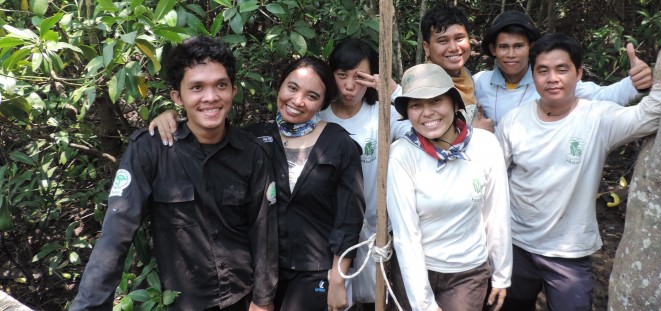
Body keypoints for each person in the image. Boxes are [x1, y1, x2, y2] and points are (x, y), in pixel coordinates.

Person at [493, 32, 661, 310]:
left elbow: (651, 114)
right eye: (542, 71)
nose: (552, 78)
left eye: (562, 69)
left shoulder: (598, 118)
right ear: (533, 76)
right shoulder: (514, 121)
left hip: (568, 252)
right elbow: (493, 175)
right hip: (516, 245)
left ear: (578, 73)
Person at [70, 36, 278, 311]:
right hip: (182, 301)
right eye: (196, 87)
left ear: (233, 90)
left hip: (241, 297)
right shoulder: (150, 150)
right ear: (177, 97)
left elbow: (263, 233)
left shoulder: (252, 153)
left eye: (221, 85)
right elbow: (116, 233)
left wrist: (263, 301)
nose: (211, 97)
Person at [149, 56, 366, 311]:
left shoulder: (339, 144)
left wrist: (338, 280)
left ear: (322, 103)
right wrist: (170, 116)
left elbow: (349, 218)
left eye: (311, 95)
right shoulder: (251, 138)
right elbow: (204, 136)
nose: (297, 101)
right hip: (255, 273)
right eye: (292, 88)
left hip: (313, 271)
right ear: (280, 86)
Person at [387, 63, 512, 311]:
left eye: (436, 101)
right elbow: (405, 234)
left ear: (455, 104)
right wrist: (425, 305)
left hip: (468, 271)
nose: (427, 112)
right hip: (415, 269)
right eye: (416, 105)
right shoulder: (402, 154)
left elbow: (496, 213)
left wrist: (502, 272)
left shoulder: (485, 145)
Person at [475, 10, 661, 127]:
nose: (510, 54)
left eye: (518, 45)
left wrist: (635, 83)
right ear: (493, 50)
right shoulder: (479, 83)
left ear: (531, 47)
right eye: (503, 47)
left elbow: (603, 95)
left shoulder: (551, 83)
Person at [320, 38, 412, 307]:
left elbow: (421, 130)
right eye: (341, 75)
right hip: (333, 235)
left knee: (379, 300)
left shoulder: (383, 113)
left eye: (359, 77)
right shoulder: (320, 117)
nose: (349, 86)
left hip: (378, 230)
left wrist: (391, 88)